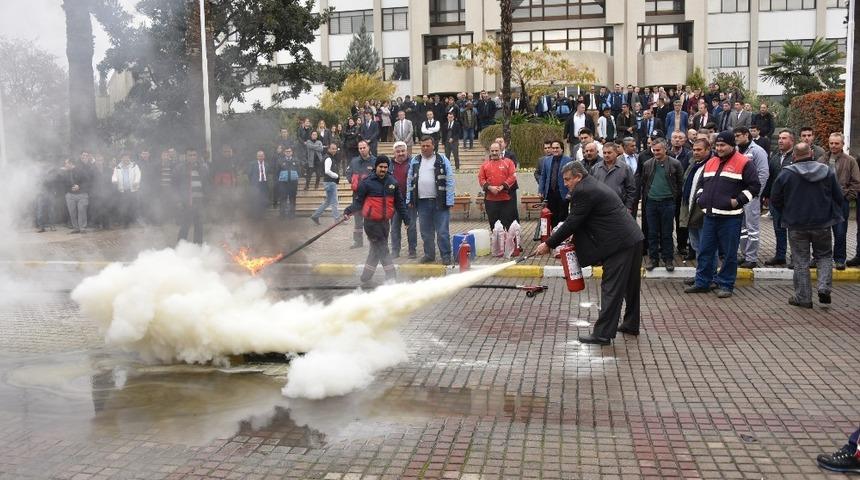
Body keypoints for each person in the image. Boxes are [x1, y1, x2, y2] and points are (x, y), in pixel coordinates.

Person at [531, 161, 644, 345]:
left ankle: (602, 334)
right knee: (630, 287)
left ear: (578, 176)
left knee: (611, 288)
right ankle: (631, 324)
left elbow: (572, 221)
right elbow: (586, 219)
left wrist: (549, 244)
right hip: (632, 238)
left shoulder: (583, 190)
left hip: (620, 244)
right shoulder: (590, 184)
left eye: (568, 179)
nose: (566, 183)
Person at [685, 131, 761, 298]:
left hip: (731, 218)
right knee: (705, 250)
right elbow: (702, 184)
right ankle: (702, 282)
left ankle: (726, 284)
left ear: (731, 145)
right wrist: (700, 197)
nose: (719, 148)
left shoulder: (744, 162)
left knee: (728, 253)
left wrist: (738, 201)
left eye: (722, 145)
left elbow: (755, 187)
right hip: (709, 216)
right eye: (717, 145)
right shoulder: (711, 162)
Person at [770, 142, 843, 307]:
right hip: (822, 222)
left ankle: (803, 298)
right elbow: (838, 196)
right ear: (811, 153)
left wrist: (787, 211)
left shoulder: (786, 174)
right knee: (824, 256)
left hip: (796, 224)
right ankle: (824, 288)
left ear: (794, 156)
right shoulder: (826, 171)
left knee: (800, 260)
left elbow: (775, 199)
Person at [343, 155, 409, 287]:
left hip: (385, 223)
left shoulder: (392, 182)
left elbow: (399, 203)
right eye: (381, 167)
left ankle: (366, 276)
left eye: (385, 167)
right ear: (375, 167)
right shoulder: (367, 183)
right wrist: (348, 211)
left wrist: (406, 219)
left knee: (376, 249)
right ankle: (392, 277)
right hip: (371, 223)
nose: (383, 169)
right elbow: (358, 202)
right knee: (383, 248)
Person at [406, 137, 455, 264]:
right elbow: (410, 180)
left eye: (427, 146)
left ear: (433, 146)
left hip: (440, 202)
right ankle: (429, 255)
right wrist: (409, 198)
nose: (425, 148)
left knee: (442, 231)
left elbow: (450, 180)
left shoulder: (442, 159)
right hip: (421, 203)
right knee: (425, 232)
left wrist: (449, 200)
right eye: (423, 146)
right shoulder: (415, 161)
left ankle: (446, 255)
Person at [639, 138, 683, 271]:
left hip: (668, 203)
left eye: (658, 150)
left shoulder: (675, 163)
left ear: (665, 149)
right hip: (651, 203)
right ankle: (653, 259)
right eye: (654, 150)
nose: (656, 152)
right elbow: (643, 181)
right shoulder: (647, 164)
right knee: (652, 232)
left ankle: (668, 259)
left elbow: (680, 183)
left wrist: (674, 196)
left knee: (667, 232)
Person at [819, 132, 860, 270]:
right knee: (822, 233)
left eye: (836, 143)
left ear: (842, 144)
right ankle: (821, 259)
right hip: (824, 202)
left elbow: (856, 183)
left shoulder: (850, 161)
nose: (833, 146)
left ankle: (840, 260)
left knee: (840, 232)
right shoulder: (821, 160)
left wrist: (847, 197)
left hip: (841, 203)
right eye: (831, 143)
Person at [734, 126, 770, 269]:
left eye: (738, 135)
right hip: (739, 195)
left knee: (752, 227)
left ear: (746, 135)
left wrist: (756, 194)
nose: (736, 138)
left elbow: (763, 173)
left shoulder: (757, 151)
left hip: (751, 196)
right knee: (742, 227)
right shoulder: (737, 151)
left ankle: (752, 257)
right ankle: (745, 255)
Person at [680, 139, 712, 270]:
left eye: (699, 150)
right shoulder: (693, 164)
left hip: (702, 212)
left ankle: (707, 276)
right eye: (694, 150)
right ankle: (701, 274)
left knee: (706, 246)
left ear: (708, 149)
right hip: (690, 208)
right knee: (696, 245)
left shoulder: (711, 165)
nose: (696, 152)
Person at [478, 142, 517, 229]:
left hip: (506, 200)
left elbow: (512, 177)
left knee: (506, 224)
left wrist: (502, 186)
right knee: (493, 224)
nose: (494, 153)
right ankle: (496, 242)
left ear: (500, 151)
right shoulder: (485, 165)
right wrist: (490, 187)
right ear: (490, 151)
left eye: (496, 150)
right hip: (490, 200)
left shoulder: (508, 162)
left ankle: (506, 242)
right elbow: (481, 178)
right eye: (492, 151)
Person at [174, 148, 208, 244]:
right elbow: (174, 186)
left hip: (199, 202)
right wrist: (178, 200)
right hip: (186, 203)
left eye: (194, 155)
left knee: (199, 226)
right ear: (186, 156)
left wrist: (207, 198)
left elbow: (206, 184)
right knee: (185, 226)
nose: (192, 157)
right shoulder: (179, 169)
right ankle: (180, 248)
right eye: (190, 155)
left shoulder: (202, 168)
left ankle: (197, 248)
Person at [389, 141, 417, 258]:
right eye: (398, 151)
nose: (400, 153)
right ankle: (395, 251)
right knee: (395, 228)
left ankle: (412, 251)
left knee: (411, 227)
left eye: (403, 151)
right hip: (394, 202)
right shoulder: (389, 165)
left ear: (407, 151)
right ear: (394, 153)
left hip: (409, 201)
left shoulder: (413, 163)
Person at [590, 142, 636, 213]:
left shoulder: (625, 168)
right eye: (604, 153)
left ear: (616, 153)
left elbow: (631, 189)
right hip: (599, 207)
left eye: (609, 153)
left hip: (619, 208)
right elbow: (591, 188)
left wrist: (628, 206)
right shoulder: (595, 168)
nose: (606, 155)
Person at [346, 140, 376, 248]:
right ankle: (358, 242)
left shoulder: (375, 161)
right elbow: (348, 173)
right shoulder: (354, 161)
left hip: (370, 196)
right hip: (357, 195)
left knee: (371, 220)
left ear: (368, 148)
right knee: (358, 220)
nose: (362, 150)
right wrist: (352, 180)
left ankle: (373, 240)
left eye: (364, 147)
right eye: (360, 148)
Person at [538, 140, 573, 228]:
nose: (555, 150)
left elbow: (572, 178)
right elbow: (543, 176)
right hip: (550, 194)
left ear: (562, 149)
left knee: (563, 217)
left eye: (557, 148)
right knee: (552, 217)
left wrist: (570, 193)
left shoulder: (569, 160)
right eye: (553, 148)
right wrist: (541, 190)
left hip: (563, 194)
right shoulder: (547, 160)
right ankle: (553, 238)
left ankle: (563, 238)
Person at [111, 152, 141, 228]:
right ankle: (125, 224)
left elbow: (138, 175)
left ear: (129, 158)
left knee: (133, 207)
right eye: (124, 157)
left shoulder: (134, 166)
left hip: (132, 190)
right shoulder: (117, 167)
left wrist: (136, 181)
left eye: (127, 157)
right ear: (121, 158)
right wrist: (114, 180)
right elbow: (114, 176)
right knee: (124, 208)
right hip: (122, 191)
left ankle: (133, 222)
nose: (125, 159)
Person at [62, 156, 92, 234]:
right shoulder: (65, 173)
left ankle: (82, 228)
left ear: (71, 163)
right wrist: (68, 192)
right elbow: (63, 184)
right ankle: (76, 228)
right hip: (70, 195)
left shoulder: (81, 171)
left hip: (82, 195)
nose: (65, 165)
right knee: (72, 212)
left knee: (81, 211)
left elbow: (88, 182)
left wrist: (79, 186)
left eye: (66, 163)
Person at [276, 146, 301, 219]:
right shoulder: (280, 161)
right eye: (287, 151)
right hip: (283, 184)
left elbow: (299, 171)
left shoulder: (296, 160)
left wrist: (295, 177)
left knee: (292, 199)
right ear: (284, 153)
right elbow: (277, 172)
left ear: (292, 152)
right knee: (283, 199)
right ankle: (282, 215)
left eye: (289, 151)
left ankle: (292, 215)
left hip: (293, 183)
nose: (288, 153)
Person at [246, 150, 270, 220]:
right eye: (259, 156)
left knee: (263, 200)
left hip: (264, 184)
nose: (260, 157)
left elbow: (267, 173)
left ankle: (262, 215)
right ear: (257, 157)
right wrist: (253, 182)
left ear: (264, 156)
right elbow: (249, 174)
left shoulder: (266, 164)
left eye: (262, 156)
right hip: (256, 185)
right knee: (256, 200)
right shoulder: (252, 164)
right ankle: (255, 216)